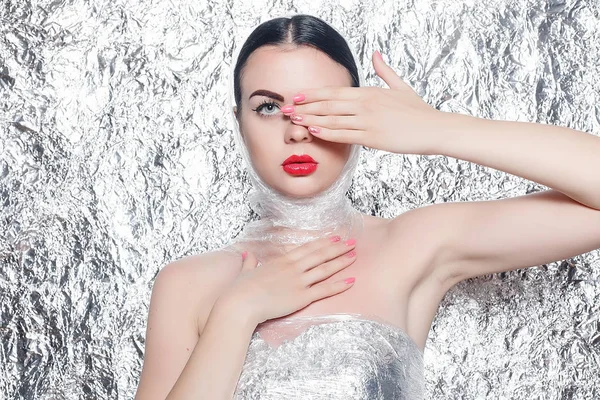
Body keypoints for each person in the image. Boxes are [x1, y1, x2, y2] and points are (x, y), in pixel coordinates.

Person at [134, 14, 600, 400]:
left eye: (321, 107)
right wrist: (238, 310)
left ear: (362, 114)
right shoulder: (188, 284)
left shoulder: (412, 246)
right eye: (269, 108)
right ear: (239, 122)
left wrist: (437, 130)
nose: (297, 130)